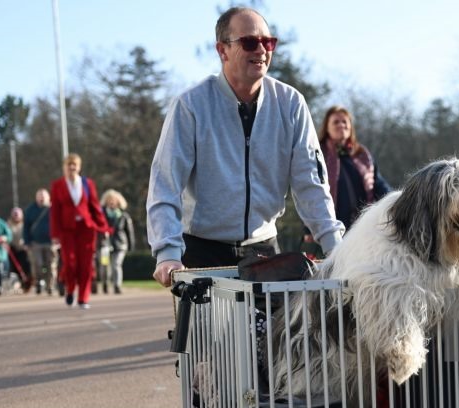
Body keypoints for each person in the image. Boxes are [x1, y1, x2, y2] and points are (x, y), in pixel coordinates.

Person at [146, 6, 344, 286]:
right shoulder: (190, 106)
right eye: (250, 42)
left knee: (280, 318)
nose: (261, 50)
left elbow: (310, 182)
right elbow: (165, 184)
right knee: (209, 319)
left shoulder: (291, 104)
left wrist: (336, 248)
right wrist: (167, 253)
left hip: (264, 249)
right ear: (222, 50)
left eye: (268, 42)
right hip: (202, 252)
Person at [50, 153, 110, 309]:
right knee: (70, 264)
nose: (72, 168)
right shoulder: (57, 185)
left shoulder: (87, 183)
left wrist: (103, 227)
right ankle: (70, 289)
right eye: (69, 165)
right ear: (64, 167)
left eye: (74, 165)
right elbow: (55, 211)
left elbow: (95, 206)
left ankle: (83, 298)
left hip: (86, 229)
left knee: (86, 264)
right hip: (67, 230)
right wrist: (55, 234)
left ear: (79, 167)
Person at [318, 105, 391, 229]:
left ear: (350, 127)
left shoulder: (362, 154)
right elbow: (311, 191)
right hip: (330, 226)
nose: (341, 125)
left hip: (363, 226)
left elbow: (378, 184)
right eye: (336, 122)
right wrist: (308, 229)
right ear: (327, 128)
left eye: (344, 121)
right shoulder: (319, 153)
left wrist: (394, 200)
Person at [101, 189, 135, 294]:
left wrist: (131, 246)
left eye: (113, 200)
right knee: (104, 265)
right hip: (105, 245)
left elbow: (129, 232)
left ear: (118, 201)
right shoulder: (101, 215)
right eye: (109, 199)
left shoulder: (124, 216)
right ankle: (105, 284)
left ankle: (117, 286)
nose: (111, 202)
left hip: (120, 245)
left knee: (116, 265)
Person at [24, 188, 56, 295]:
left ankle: (50, 285)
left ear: (48, 197)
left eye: (44, 196)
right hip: (35, 243)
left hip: (51, 242)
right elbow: (26, 227)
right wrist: (27, 242)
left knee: (50, 265)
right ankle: (38, 282)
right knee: (38, 264)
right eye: (40, 196)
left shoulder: (53, 209)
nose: (42, 198)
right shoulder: (30, 210)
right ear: (36, 197)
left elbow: (59, 224)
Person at [7, 206, 31, 289]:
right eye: (15, 214)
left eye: (17, 214)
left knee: (25, 265)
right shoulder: (8, 224)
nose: (16, 216)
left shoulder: (25, 224)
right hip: (12, 249)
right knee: (14, 267)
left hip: (23, 248)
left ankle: (26, 283)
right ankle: (18, 282)